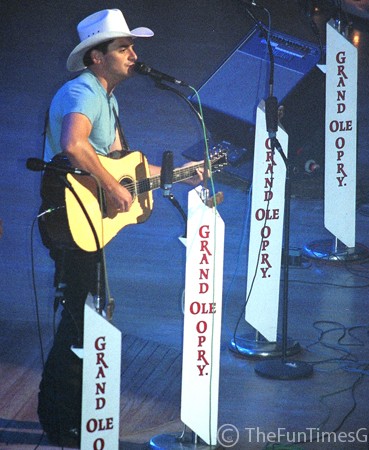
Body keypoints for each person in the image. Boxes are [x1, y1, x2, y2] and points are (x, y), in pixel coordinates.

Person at [37, 9, 203, 447]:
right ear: (96, 57)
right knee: (79, 319)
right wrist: (111, 188)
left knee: (86, 315)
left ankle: (71, 412)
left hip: (85, 219)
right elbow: (74, 146)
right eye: (123, 47)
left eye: (132, 46)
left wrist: (181, 173)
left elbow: (122, 165)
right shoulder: (85, 91)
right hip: (72, 219)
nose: (134, 54)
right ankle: (58, 419)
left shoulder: (107, 98)